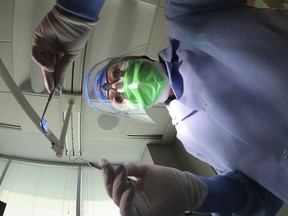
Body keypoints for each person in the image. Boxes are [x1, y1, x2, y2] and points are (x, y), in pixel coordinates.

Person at [31, 0, 288, 215]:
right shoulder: (191, 139)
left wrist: (75, 11)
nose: (121, 86)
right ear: (130, 109)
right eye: (116, 98)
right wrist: (200, 193)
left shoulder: (187, 18)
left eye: (116, 72)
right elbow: (258, 193)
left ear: (135, 58)